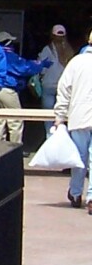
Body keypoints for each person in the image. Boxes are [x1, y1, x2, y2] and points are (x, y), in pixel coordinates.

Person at [53, 32, 92, 209]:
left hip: (79, 117)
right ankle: (91, 197)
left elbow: (64, 89)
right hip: (83, 115)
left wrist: (60, 116)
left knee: (79, 158)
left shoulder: (76, 62)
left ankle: (76, 193)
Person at [0, 29, 49, 145]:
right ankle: (15, 148)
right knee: (16, 120)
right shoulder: (9, 56)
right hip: (7, 90)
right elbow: (23, 68)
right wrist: (40, 65)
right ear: (8, 42)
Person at [37, 23, 74, 110]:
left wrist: (41, 77)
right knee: (62, 111)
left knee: (47, 111)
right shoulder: (69, 50)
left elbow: (41, 67)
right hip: (64, 84)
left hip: (49, 83)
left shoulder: (46, 49)